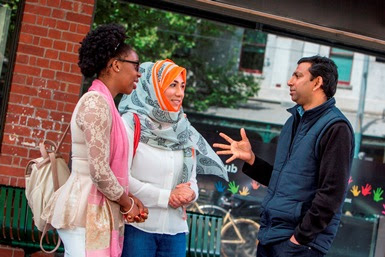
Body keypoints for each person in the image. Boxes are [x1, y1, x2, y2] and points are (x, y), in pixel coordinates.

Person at [214, 55, 354, 257]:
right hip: (271, 236)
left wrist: (298, 240)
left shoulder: (336, 128)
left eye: (297, 76)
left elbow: (331, 195)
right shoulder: (293, 122)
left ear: (317, 82)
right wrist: (251, 160)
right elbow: (283, 182)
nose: (290, 81)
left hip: (300, 245)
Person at [42, 24, 148, 257]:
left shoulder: (105, 103)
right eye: (136, 66)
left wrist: (127, 198)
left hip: (91, 213)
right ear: (116, 65)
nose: (139, 74)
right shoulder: (96, 103)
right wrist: (127, 203)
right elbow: (99, 171)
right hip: (83, 212)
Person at [118, 59, 228, 257]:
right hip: (137, 227)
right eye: (173, 85)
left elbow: (191, 181)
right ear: (155, 88)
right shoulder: (130, 125)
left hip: (175, 231)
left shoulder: (183, 129)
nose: (180, 93)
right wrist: (166, 197)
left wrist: (190, 195)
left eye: (183, 86)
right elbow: (121, 179)